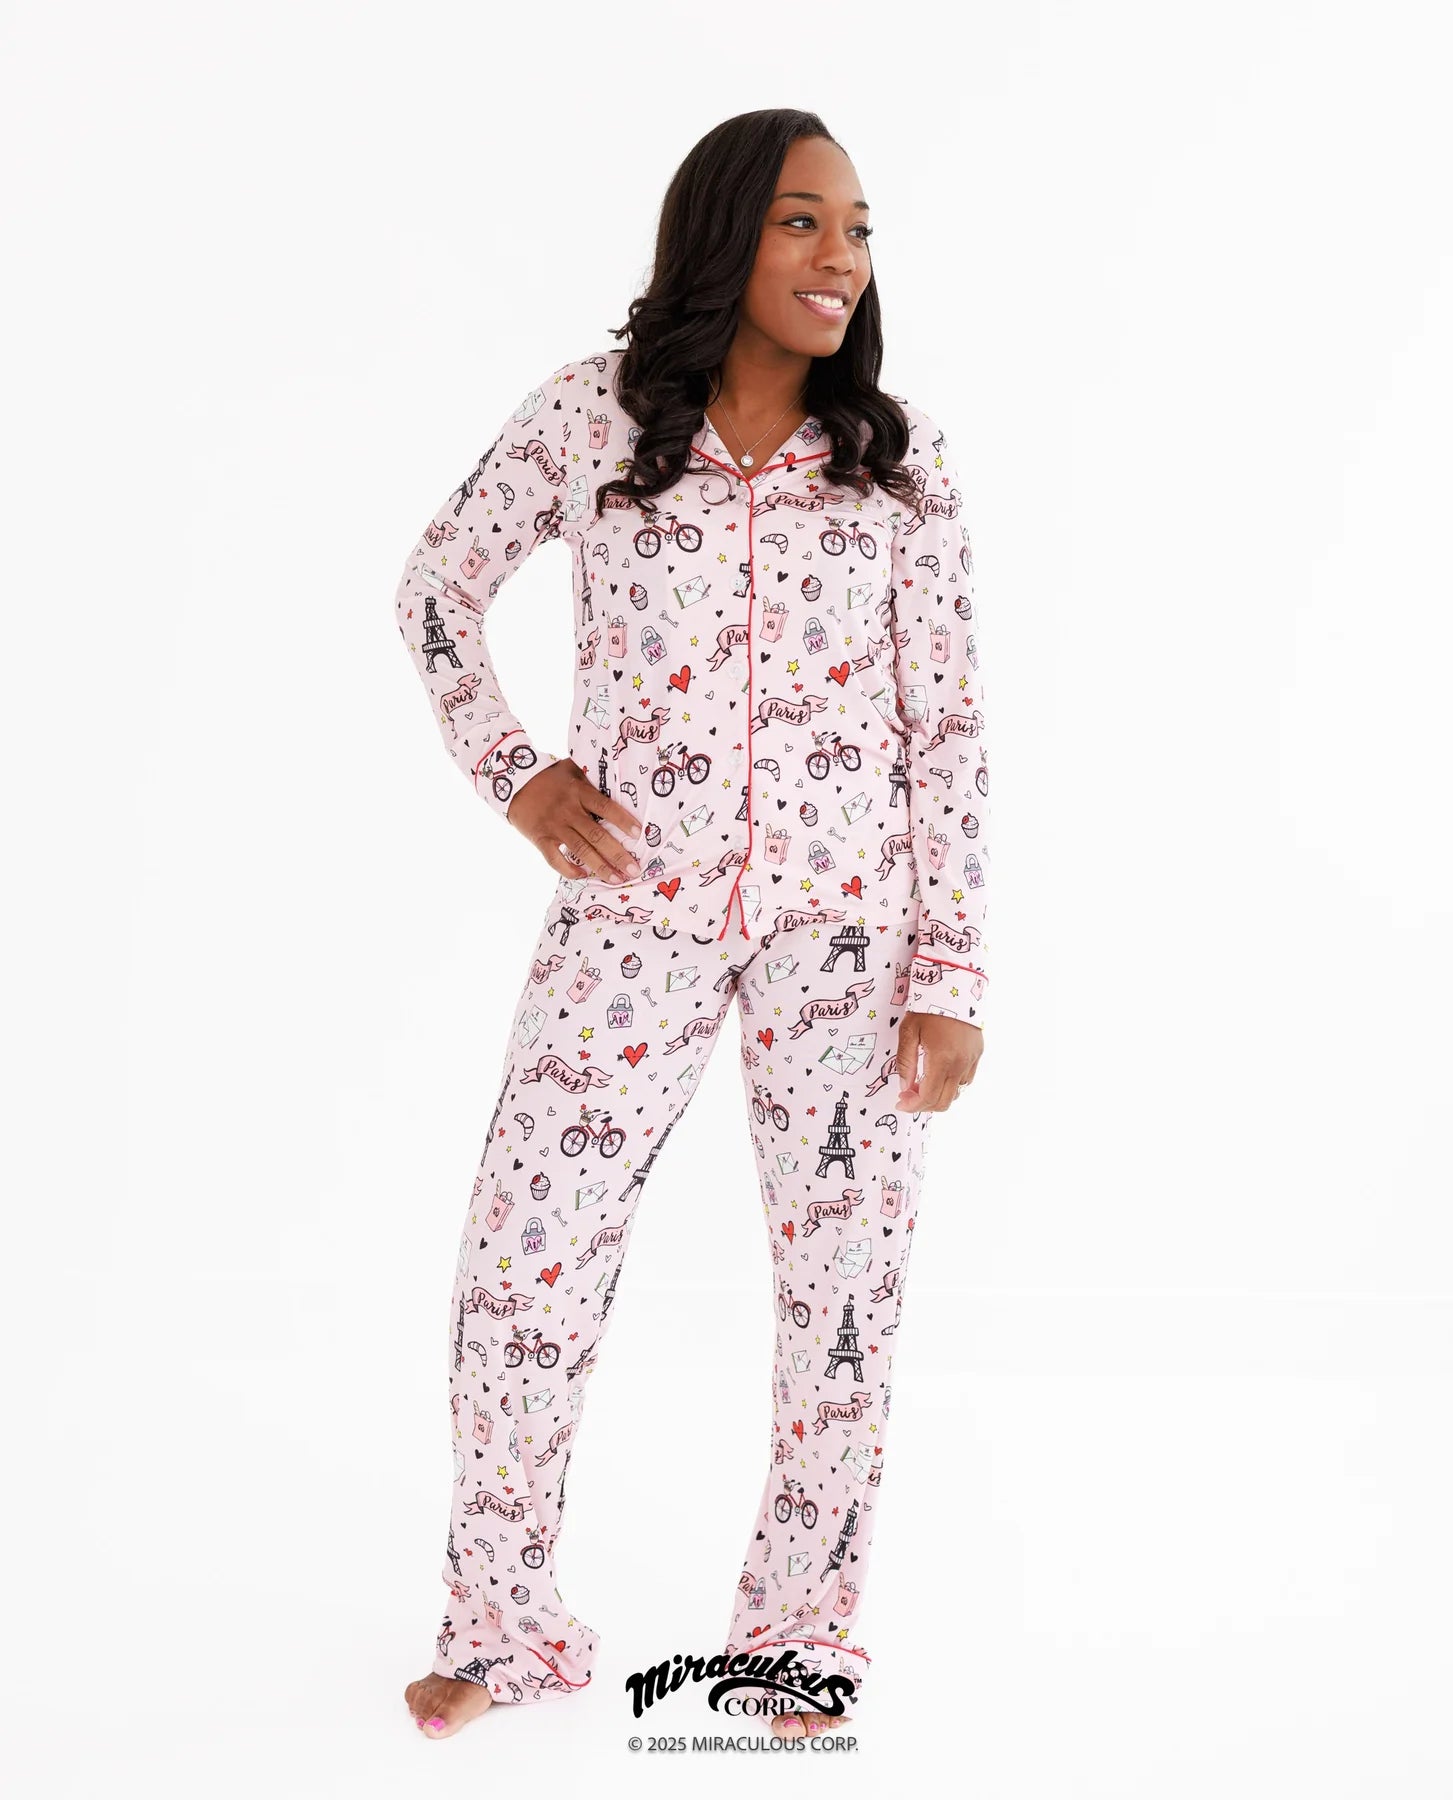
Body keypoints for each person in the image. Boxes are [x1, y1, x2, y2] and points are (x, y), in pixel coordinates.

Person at [393, 109, 987, 1742]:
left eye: (856, 229)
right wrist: (517, 775)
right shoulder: (589, 421)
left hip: (848, 933)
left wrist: (950, 970)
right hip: (629, 917)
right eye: (802, 220)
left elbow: (946, 729)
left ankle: (797, 1639)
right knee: (520, 1266)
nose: (838, 258)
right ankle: (504, 1627)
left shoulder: (897, 463)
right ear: (720, 234)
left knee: (843, 1295)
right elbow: (437, 588)